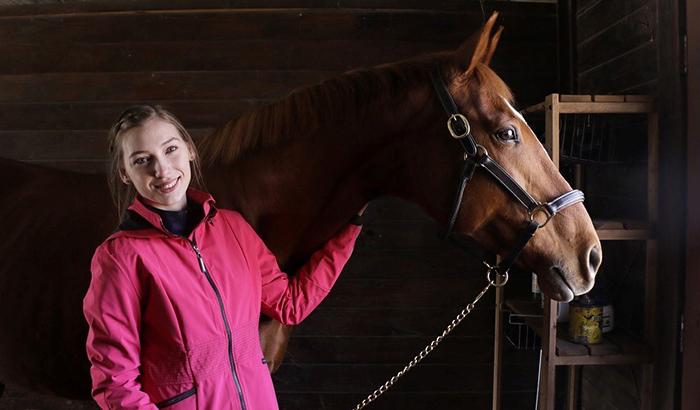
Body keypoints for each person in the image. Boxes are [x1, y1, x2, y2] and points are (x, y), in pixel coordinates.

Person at [83, 104, 364, 409]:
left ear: (190, 150)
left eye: (170, 149)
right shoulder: (121, 257)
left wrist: (348, 231)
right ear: (126, 174)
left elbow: (289, 304)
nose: (161, 170)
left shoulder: (233, 228)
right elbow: (114, 381)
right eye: (142, 160)